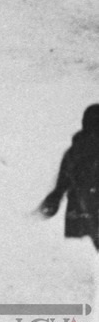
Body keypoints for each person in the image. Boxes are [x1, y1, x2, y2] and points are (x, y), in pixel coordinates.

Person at [40, 104, 99, 252]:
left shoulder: (75, 149)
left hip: (82, 208)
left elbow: (64, 180)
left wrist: (55, 197)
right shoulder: (79, 149)